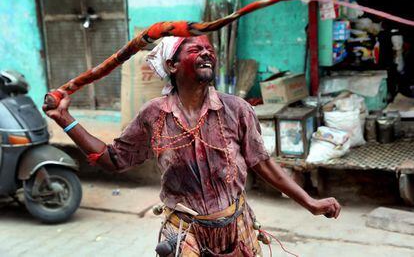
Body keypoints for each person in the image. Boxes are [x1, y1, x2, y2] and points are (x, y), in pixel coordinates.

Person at [43, 35, 341, 256]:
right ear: (171, 65)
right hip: (184, 232)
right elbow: (112, 159)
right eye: (195, 49)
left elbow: (262, 163)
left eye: (209, 48)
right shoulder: (154, 115)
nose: (206, 52)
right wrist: (64, 118)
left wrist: (310, 203)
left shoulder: (237, 109)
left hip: (236, 226)